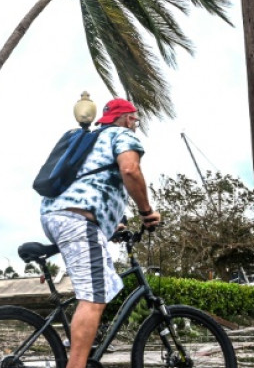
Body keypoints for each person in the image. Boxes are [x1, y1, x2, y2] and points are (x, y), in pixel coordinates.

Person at [39, 98, 162, 368]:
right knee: (92, 298)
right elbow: (130, 169)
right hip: (75, 220)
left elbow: (92, 184)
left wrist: (113, 225)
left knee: (102, 288)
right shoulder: (120, 135)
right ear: (128, 118)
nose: (136, 125)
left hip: (59, 215)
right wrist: (145, 212)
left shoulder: (92, 141)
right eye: (136, 119)